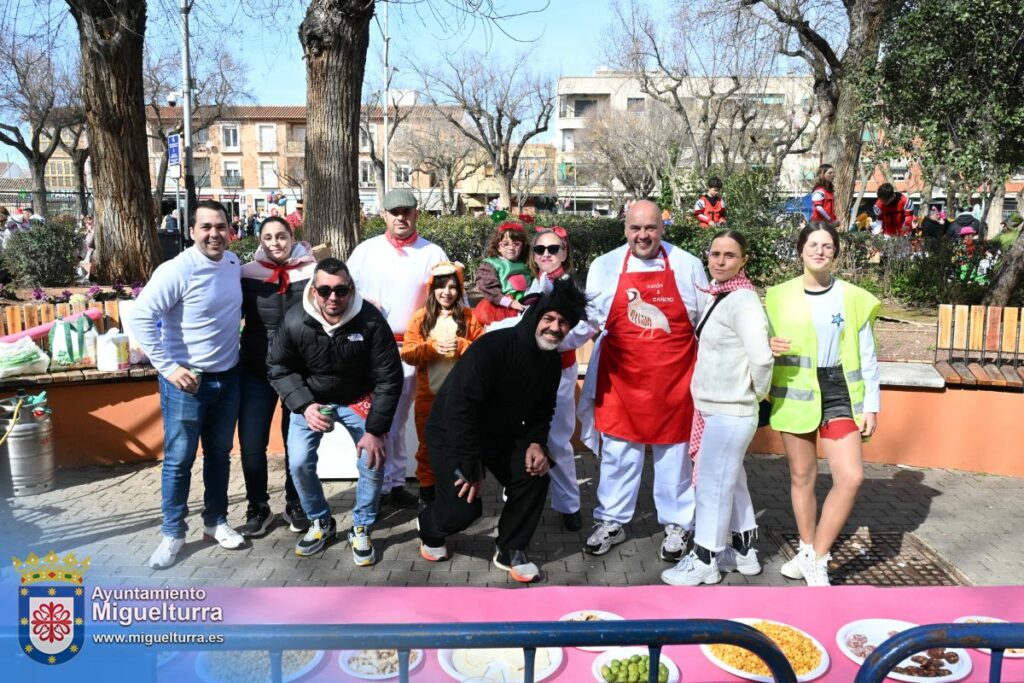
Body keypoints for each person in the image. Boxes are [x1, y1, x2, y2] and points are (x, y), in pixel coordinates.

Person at [416, 279, 588, 581]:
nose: (555, 327)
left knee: (535, 473)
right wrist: (470, 465)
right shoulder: (493, 347)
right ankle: (429, 524)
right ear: (536, 316)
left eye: (564, 323)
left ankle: (511, 547)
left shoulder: (551, 360)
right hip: (452, 431)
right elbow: (459, 407)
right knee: (464, 511)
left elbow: (542, 409)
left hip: (500, 434)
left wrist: (536, 443)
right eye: (549, 318)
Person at [578, 199, 708, 563]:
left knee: (674, 457)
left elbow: (704, 321)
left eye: (650, 227)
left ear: (662, 227)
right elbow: (589, 323)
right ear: (625, 229)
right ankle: (611, 521)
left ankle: (678, 524)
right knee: (618, 456)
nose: (643, 235)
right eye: (635, 228)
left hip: (674, 382)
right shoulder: (604, 267)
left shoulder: (687, 265)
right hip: (621, 382)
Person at [131, 200, 246, 569]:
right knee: (179, 461)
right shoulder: (178, 269)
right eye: (206, 227)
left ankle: (215, 523)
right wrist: (167, 367)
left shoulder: (231, 264)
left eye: (221, 226)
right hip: (187, 383)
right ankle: (172, 533)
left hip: (228, 377)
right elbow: (140, 316)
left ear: (231, 229)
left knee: (219, 456)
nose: (215, 234)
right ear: (192, 231)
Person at [765, 222, 881, 586]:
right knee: (803, 476)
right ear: (801, 250)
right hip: (795, 390)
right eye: (813, 244)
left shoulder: (853, 297)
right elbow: (759, 340)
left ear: (836, 252)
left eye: (827, 245)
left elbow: (867, 354)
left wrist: (872, 406)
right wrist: (766, 346)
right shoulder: (777, 295)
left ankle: (818, 557)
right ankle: (805, 550)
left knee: (851, 476)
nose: (819, 251)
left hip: (839, 391)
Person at [267, 258, 404, 563]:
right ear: (314, 290)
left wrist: (374, 430)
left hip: (359, 397)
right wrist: (304, 405)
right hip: (313, 400)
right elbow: (277, 367)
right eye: (325, 290)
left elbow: (389, 376)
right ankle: (320, 521)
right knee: (300, 462)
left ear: (351, 289)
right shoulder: (294, 320)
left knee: (372, 458)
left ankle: (362, 526)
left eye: (341, 290)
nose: (333, 297)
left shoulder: (370, 320)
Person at [661, 230, 773, 586]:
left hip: (731, 409)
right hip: (717, 407)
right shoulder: (719, 294)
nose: (720, 261)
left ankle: (705, 557)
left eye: (729, 255)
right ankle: (744, 550)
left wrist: (754, 394)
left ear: (744, 260)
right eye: (715, 254)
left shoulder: (742, 300)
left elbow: (762, 358)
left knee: (712, 484)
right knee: (732, 479)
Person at [347, 188, 448, 510]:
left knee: (401, 419)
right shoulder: (365, 251)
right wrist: (361, 303)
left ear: (417, 213)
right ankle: (375, 486)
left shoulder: (433, 253)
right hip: (373, 349)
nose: (400, 217)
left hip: (415, 348)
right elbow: (343, 291)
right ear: (383, 215)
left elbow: (450, 297)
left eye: (406, 211)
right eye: (394, 212)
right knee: (377, 419)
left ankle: (394, 483)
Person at [238, 216, 318, 538]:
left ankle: (295, 502)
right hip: (257, 371)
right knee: (252, 443)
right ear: (261, 240)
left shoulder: (311, 272)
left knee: (295, 444)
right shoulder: (246, 274)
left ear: (291, 236)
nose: (275, 243)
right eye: (268, 237)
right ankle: (258, 506)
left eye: (281, 236)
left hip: (298, 373)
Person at [524, 226, 597, 531]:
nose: (546, 255)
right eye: (540, 250)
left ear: (564, 252)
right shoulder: (536, 283)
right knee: (523, 436)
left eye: (553, 249)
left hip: (559, 369)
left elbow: (589, 323)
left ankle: (568, 504)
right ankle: (520, 500)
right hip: (526, 368)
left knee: (557, 439)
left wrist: (556, 340)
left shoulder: (569, 287)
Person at [399, 261, 484, 508]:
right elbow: (408, 353)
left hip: (462, 399)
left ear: (459, 289)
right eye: (440, 287)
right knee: (427, 449)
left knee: (462, 446)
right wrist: (431, 348)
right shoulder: (421, 318)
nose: (446, 292)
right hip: (430, 396)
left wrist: (461, 346)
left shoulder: (470, 317)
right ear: (432, 289)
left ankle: (457, 495)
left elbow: (483, 353)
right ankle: (427, 497)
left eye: (452, 287)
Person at [473, 221, 533, 326]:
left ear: (523, 247)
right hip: (501, 307)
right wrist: (510, 303)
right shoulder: (493, 264)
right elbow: (488, 289)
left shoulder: (525, 264)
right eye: (505, 244)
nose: (511, 247)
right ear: (498, 247)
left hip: (523, 305)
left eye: (516, 244)